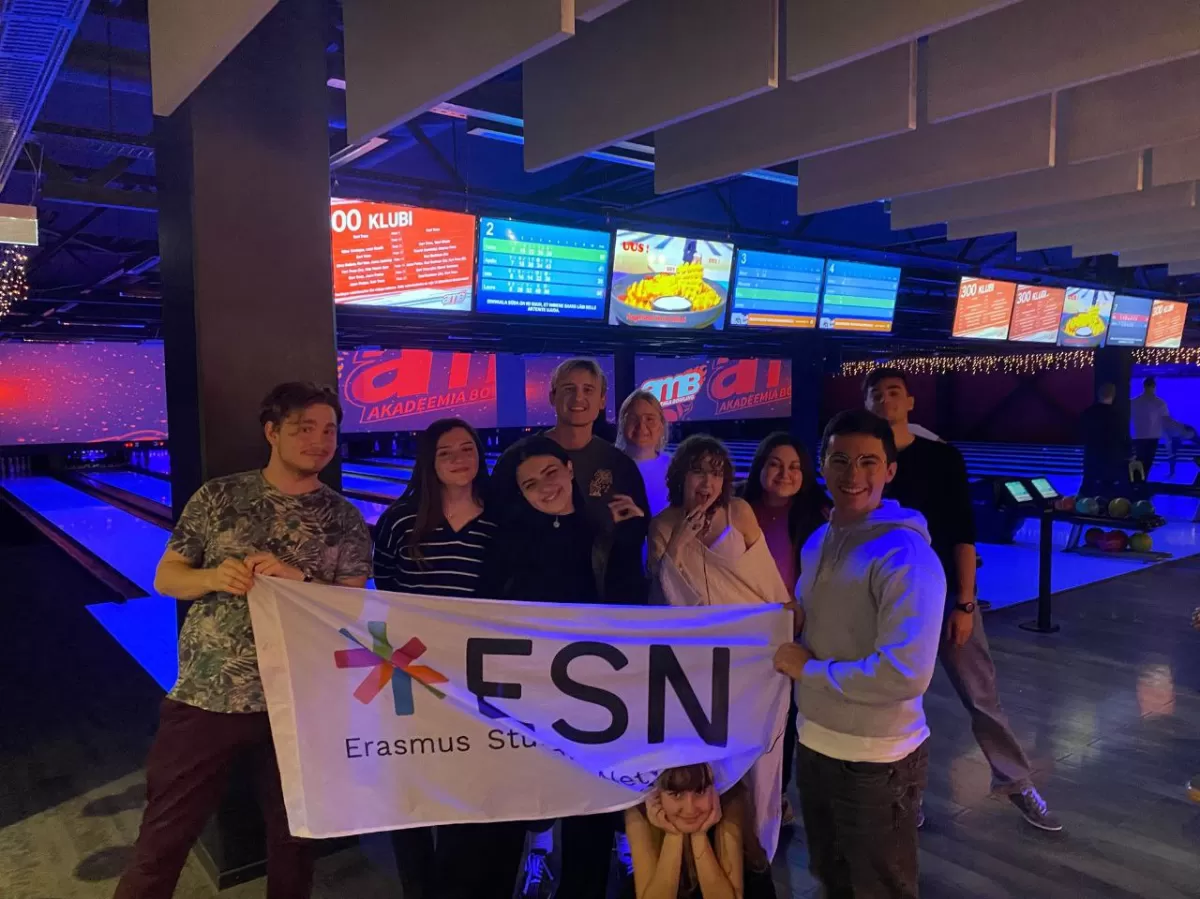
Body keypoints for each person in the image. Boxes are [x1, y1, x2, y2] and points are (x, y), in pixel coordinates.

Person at [113, 383, 372, 899]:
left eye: (329, 430)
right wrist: (213, 577)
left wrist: (295, 579)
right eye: (304, 428)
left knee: (295, 842)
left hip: (300, 701)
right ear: (272, 431)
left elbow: (352, 608)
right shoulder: (218, 497)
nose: (320, 440)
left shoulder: (344, 517)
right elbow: (167, 577)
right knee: (163, 838)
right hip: (208, 697)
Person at [864, 367, 1061, 832]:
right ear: (866, 405)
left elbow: (963, 533)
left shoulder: (942, 458)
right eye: (876, 394)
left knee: (981, 697)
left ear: (910, 402)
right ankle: (904, 794)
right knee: (896, 704)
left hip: (946, 595)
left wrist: (966, 603)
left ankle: (1017, 783)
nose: (886, 400)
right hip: (883, 602)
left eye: (894, 392)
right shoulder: (862, 461)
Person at [773, 409, 945, 899]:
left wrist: (810, 670)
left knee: (878, 889)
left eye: (869, 462)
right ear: (822, 467)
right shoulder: (819, 540)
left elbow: (905, 673)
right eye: (840, 460)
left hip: (875, 758)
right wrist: (798, 617)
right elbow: (826, 617)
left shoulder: (905, 556)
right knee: (832, 880)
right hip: (816, 744)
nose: (853, 475)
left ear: (890, 471)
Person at [480, 435, 648, 899]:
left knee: (589, 818)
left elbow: (628, 608)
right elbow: (484, 613)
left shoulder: (604, 533)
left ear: (570, 469)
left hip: (593, 698)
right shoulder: (510, 539)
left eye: (550, 473)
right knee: (522, 807)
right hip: (529, 696)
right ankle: (530, 867)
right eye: (530, 483)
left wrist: (632, 540)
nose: (544, 486)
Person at [372, 418, 500, 899]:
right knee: (412, 786)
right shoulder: (400, 520)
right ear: (429, 459)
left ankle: (453, 882)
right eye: (446, 451)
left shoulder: (497, 518)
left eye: (468, 447)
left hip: (476, 678)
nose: (459, 457)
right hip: (414, 675)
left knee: (464, 783)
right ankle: (419, 889)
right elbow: (385, 593)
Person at [648, 435, 791, 863]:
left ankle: (758, 855)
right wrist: (676, 546)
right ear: (681, 477)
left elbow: (766, 586)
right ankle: (701, 853)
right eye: (698, 470)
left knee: (761, 758)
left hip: (753, 657)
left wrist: (785, 624)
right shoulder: (663, 524)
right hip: (697, 665)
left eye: (716, 471)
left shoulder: (739, 512)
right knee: (708, 762)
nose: (707, 481)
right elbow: (658, 604)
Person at [739, 433, 831, 828]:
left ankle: (777, 792)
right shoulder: (738, 509)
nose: (784, 473)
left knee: (784, 719)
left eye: (794, 466)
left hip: (796, 633)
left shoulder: (817, 514)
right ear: (761, 466)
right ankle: (738, 790)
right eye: (775, 463)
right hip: (746, 633)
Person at [490, 358, 650, 553]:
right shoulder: (516, 458)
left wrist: (629, 528)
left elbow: (638, 531)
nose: (578, 398)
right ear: (552, 397)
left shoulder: (620, 464)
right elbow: (497, 526)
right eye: (568, 389)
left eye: (588, 390)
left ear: (602, 400)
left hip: (600, 581)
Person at [623, 764, 776, 899]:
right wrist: (673, 835)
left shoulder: (730, 800)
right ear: (656, 795)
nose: (690, 809)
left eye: (700, 791)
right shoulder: (638, 812)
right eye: (676, 794)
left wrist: (699, 835)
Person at [617, 388, 672, 516]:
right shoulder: (605, 465)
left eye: (649, 419)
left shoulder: (676, 468)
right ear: (622, 424)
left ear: (661, 425)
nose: (641, 426)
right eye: (633, 418)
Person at [1079, 382, 1130, 496]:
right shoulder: (1119, 415)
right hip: (1112, 458)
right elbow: (1124, 437)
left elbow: (1082, 434)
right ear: (1113, 395)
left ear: (1098, 395)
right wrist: (1129, 454)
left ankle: (1082, 511)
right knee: (1109, 492)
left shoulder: (1088, 413)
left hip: (1092, 457)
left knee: (1088, 488)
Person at [1131, 376, 1171, 478]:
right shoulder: (1160, 403)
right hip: (1153, 436)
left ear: (1143, 386)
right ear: (1154, 387)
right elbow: (1165, 420)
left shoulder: (1134, 402)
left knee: (1139, 459)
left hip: (1138, 436)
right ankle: (1142, 481)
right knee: (1148, 461)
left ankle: (1137, 481)